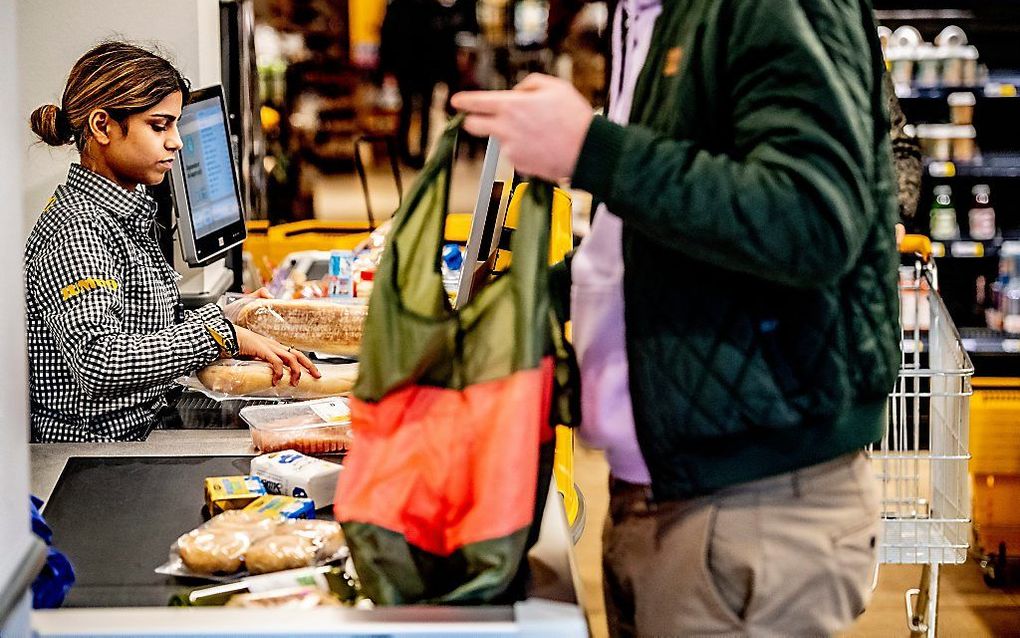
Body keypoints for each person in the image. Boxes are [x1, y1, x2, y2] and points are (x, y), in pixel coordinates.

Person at [453, 0, 899, 635]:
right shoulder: (649, 14)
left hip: (747, 503)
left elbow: (812, 217)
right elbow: (656, 233)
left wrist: (590, 149)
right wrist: (530, 301)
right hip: (669, 491)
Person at [25, 42, 318, 443]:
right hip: (105, 448)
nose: (177, 142)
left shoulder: (122, 213)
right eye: (159, 126)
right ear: (102, 126)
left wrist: (231, 316)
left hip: (149, 422)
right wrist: (220, 335)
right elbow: (100, 362)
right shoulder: (78, 230)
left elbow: (139, 329)